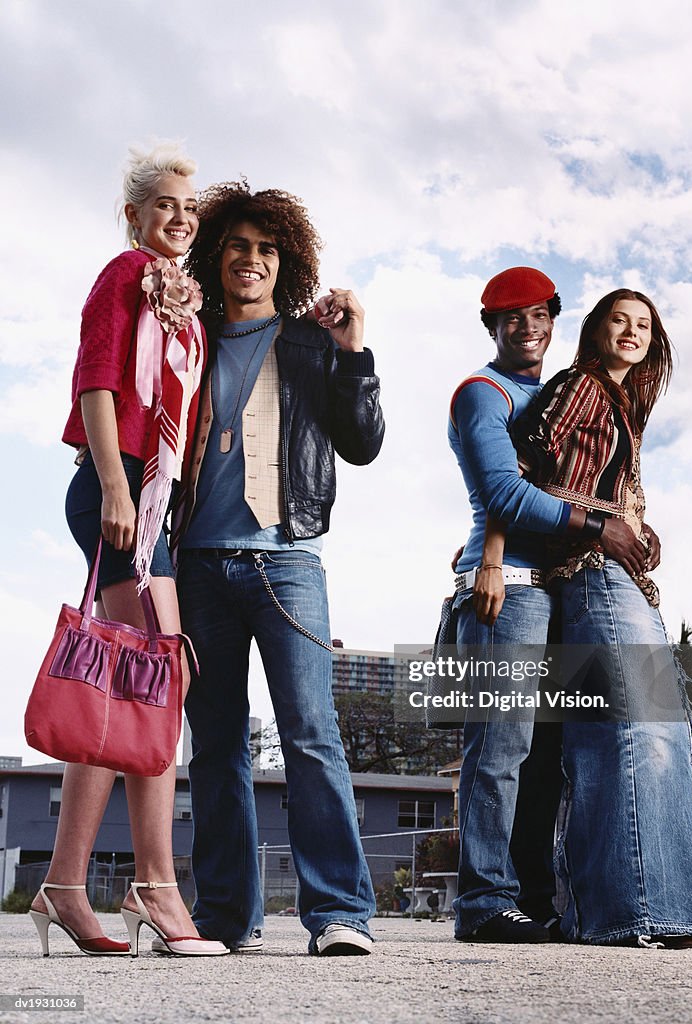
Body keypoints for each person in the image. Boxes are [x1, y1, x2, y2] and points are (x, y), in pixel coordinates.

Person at [481, 288, 692, 946]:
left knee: (668, 743)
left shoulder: (622, 410)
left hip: (617, 581)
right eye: (620, 319)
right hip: (591, 578)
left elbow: (593, 490)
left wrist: (640, 528)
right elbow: (513, 474)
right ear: (595, 330)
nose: (633, 331)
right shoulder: (580, 385)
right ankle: (642, 910)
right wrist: (492, 562)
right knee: (636, 736)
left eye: (644, 324)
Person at [173, 182, 383, 956]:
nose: (251, 259)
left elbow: (361, 443)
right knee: (216, 743)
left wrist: (355, 349)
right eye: (238, 245)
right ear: (215, 254)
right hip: (197, 564)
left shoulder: (309, 342)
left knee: (311, 735)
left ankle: (339, 915)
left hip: (287, 563)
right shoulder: (186, 337)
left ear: (283, 263)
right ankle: (226, 917)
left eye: (266, 249)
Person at [32, 143, 228, 958]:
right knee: (160, 673)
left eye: (190, 209)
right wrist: (115, 484)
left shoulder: (186, 303)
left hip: (156, 506)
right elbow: (98, 381)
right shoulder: (124, 274)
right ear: (135, 216)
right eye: (166, 206)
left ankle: (65, 886)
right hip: (118, 497)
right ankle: (154, 885)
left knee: (134, 683)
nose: (180, 219)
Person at [448, 268, 652, 943]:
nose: (527, 328)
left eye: (538, 315)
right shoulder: (484, 394)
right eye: (511, 318)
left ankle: (531, 900)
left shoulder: (563, 391)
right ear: (492, 327)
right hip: (508, 590)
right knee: (499, 748)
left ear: (554, 320)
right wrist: (594, 528)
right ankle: (483, 902)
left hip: (557, 589)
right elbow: (506, 494)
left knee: (543, 761)